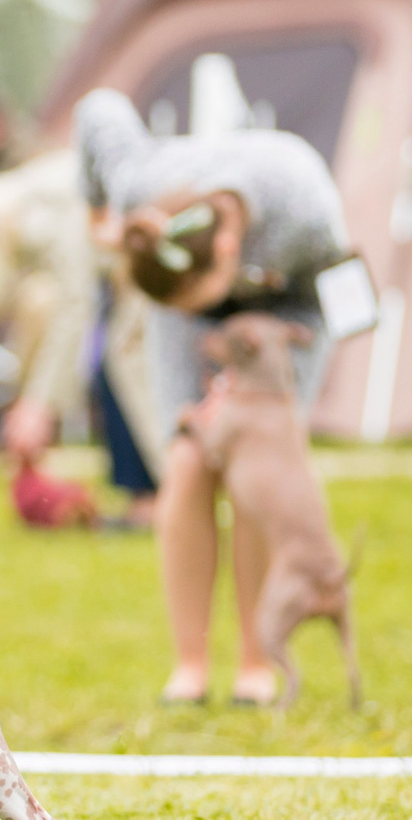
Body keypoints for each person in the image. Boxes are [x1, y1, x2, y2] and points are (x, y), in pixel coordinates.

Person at [73, 87, 347, 707]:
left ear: (227, 250)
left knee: (255, 465)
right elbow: (99, 108)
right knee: (188, 459)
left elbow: (340, 283)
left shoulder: (299, 204)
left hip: (290, 308)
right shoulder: (142, 188)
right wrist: (95, 210)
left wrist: (277, 373)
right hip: (189, 320)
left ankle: (255, 660)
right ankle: (190, 666)